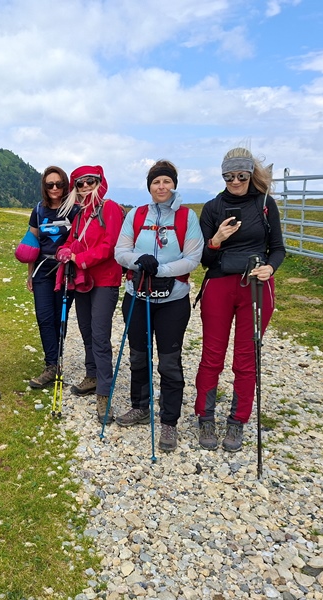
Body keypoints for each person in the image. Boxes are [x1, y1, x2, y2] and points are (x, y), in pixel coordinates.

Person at [194, 147, 286, 452]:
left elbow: (278, 248)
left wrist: (270, 267)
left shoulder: (264, 204)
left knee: (246, 358)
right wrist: (217, 239)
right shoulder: (212, 207)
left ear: (250, 174)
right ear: (222, 176)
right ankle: (205, 416)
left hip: (256, 286)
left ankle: (237, 421)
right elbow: (204, 258)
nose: (235, 181)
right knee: (212, 355)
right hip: (219, 283)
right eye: (228, 175)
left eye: (241, 175)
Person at [114, 160, 204, 451]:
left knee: (169, 361)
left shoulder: (187, 217)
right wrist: (138, 262)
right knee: (138, 357)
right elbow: (120, 251)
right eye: (156, 182)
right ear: (149, 186)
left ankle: (169, 421)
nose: (161, 187)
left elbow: (193, 258)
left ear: (174, 184)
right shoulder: (138, 215)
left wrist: (159, 270)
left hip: (172, 301)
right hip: (137, 297)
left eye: (166, 181)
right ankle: (140, 406)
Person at [56, 165, 124, 423]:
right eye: (80, 184)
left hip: (105, 280)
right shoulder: (81, 214)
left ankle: (104, 393)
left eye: (90, 182)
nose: (85, 187)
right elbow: (71, 241)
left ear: (100, 182)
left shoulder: (110, 209)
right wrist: (64, 251)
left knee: (99, 334)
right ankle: (92, 376)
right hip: (83, 280)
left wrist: (78, 258)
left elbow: (110, 245)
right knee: (86, 329)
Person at [25, 166, 80, 388]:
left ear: (65, 185)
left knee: (60, 318)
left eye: (59, 184)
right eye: (50, 184)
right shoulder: (38, 210)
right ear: (44, 187)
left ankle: (55, 360)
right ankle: (51, 365)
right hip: (42, 270)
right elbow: (32, 243)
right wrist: (29, 274)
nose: (55, 188)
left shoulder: (75, 210)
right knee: (44, 317)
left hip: (66, 271)